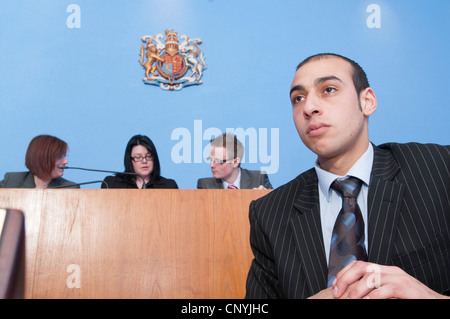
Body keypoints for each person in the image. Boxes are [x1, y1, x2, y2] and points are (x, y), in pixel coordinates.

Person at [245, 53, 450, 299]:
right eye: (298, 98)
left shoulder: (438, 168)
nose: (309, 108)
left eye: (329, 89)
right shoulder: (269, 214)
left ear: (368, 101)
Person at [197, 133, 272, 190]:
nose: (212, 165)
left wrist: (266, 200)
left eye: (218, 161)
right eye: (211, 160)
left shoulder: (258, 179)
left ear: (235, 162)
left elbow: (276, 207)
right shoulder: (205, 186)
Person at [0, 135, 79, 189]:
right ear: (42, 158)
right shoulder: (11, 181)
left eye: (65, 156)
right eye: (60, 157)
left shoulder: (70, 188)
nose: (66, 161)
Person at [102, 134, 178, 189]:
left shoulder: (168, 186)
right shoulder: (112, 184)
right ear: (130, 160)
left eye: (148, 156)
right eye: (138, 157)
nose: (144, 161)